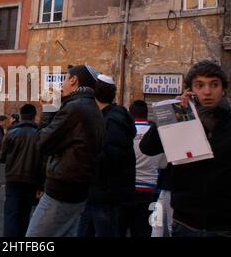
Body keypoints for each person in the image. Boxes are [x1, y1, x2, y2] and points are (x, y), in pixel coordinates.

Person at [140, 60, 231, 237]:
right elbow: (147, 148)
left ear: (223, 88)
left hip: (224, 224)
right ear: (190, 90)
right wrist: (168, 113)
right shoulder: (180, 117)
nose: (207, 92)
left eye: (214, 85)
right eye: (199, 85)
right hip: (185, 222)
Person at [26, 65, 105, 237]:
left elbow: (42, 142)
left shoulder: (75, 108)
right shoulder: (92, 107)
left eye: (64, 79)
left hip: (62, 189)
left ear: (73, 80)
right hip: (78, 189)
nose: (62, 84)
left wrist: (48, 109)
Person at [78, 75, 136, 237]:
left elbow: (109, 158)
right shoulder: (109, 117)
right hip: (96, 194)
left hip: (106, 196)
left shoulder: (112, 121)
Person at [118, 100, 167, 237]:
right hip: (148, 190)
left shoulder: (124, 131)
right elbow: (163, 165)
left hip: (125, 188)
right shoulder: (157, 134)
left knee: (119, 228)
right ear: (147, 114)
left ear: (130, 113)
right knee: (142, 230)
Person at [0, 104, 45, 237]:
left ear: (21, 115)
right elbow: (43, 161)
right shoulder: (40, 134)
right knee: (25, 213)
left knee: (11, 214)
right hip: (31, 179)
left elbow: (2, 158)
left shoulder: (11, 132)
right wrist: (42, 184)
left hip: (13, 178)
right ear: (34, 116)